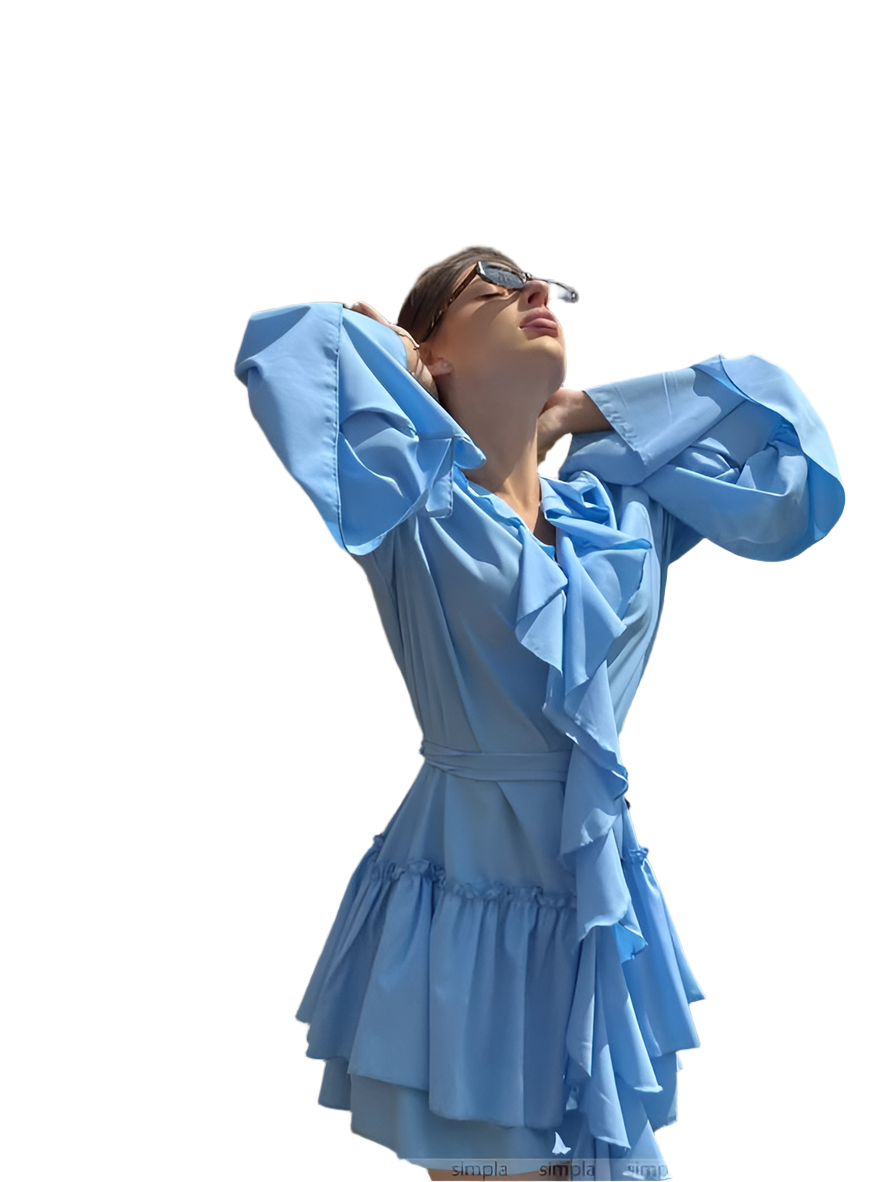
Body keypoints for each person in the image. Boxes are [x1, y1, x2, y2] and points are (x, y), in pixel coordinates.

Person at [233, 247, 845, 1174]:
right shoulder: (409, 498)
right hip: (467, 880)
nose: (536, 293)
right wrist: (401, 365)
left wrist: (582, 411)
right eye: (493, 284)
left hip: (597, 880)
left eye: (548, 290)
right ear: (430, 348)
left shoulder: (620, 511)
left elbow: (779, 444)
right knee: (484, 1163)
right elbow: (291, 345)